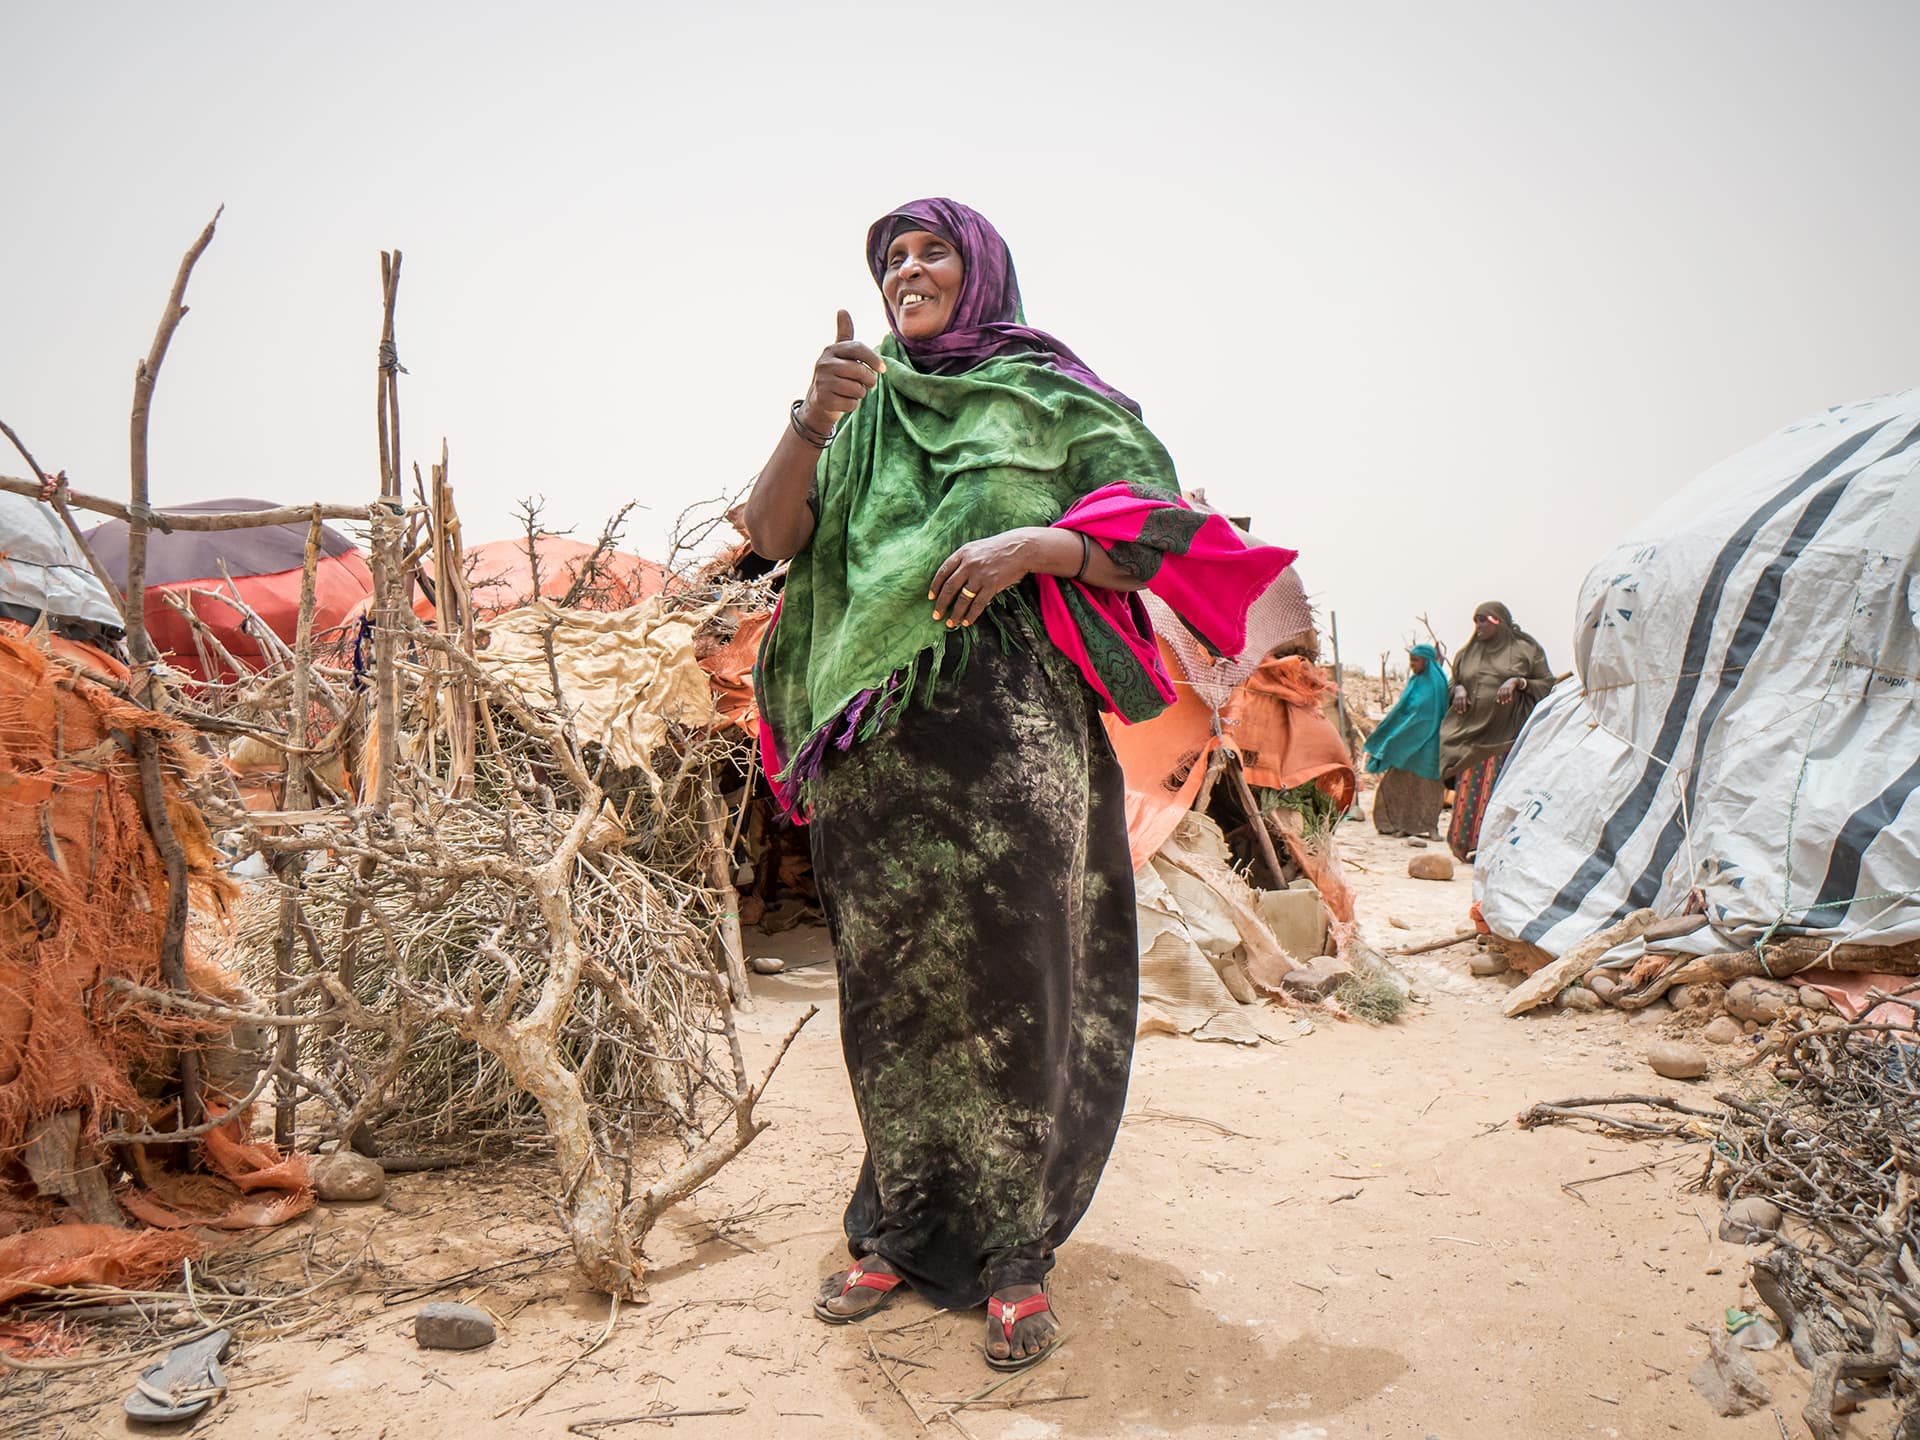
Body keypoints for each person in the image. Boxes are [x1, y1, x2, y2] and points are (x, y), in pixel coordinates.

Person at [746, 198, 1298, 1371]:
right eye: (890, 257)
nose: (907, 269)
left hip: (1014, 738)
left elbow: (1162, 529)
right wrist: (809, 419)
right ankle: (896, 1229)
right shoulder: (859, 405)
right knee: (890, 993)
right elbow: (771, 534)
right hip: (875, 753)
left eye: (930, 250)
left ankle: (1011, 1253)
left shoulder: (1049, 397)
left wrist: (1037, 546)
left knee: (1021, 985)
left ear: (982, 268)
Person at [1439, 602, 1555, 861]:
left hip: (1505, 736)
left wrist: (1518, 681)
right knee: (1469, 791)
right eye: (1476, 620)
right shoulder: (1467, 653)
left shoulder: (1526, 651)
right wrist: (1457, 689)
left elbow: (1546, 684)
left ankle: (1488, 849)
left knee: (1497, 793)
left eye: (1484, 620)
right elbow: (1454, 680)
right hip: (1470, 734)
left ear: (1499, 621)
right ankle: (1463, 844)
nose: (1478, 626)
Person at [1363, 643, 1449, 838]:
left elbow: (1438, 713)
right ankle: (1402, 825)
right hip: (1408, 742)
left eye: (1416, 661)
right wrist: (1392, 735)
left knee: (1429, 785)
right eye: (1410, 661)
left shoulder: (1439, 684)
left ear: (1426, 661)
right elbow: (1402, 712)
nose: (1412, 665)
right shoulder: (1414, 683)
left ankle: (1431, 827)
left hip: (1430, 743)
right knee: (1401, 782)